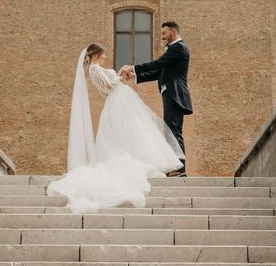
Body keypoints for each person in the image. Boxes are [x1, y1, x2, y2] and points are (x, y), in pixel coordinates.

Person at [46, 43, 184, 213]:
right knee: (124, 134)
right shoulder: (94, 69)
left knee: (131, 133)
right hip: (117, 101)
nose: (105, 57)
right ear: (96, 55)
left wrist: (120, 76)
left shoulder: (97, 68)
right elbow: (108, 87)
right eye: (103, 55)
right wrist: (120, 75)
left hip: (121, 100)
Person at [119, 21, 192, 177]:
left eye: (164, 33)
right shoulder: (174, 50)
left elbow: (157, 64)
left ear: (173, 32)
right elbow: (159, 72)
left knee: (174, 132)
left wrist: (132, 67)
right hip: (170, 95)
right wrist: (135, 77)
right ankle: (176, 168)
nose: (162, 37)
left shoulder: (179, 48)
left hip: (175, 95)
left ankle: (179, 169)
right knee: (170, 132)